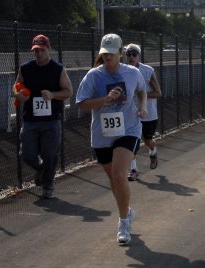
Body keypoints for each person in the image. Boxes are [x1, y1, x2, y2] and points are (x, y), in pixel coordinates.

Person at [76, 33, 147, 244]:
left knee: (119, 174)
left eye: (111, 54)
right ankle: (127, 210)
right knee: (114, 180)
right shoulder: (93, 76)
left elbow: (142, 91)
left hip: (129, 129)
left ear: (120, 53)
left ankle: (124, 222)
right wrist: (105, 99)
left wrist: (142, 106)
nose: (107, 58)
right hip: (103, 134)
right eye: (104, 54)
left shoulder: (133, 73)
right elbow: (81, 104)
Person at [13, 34, 73, 199]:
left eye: (41, 50)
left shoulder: (57, 69)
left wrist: (52, 95)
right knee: (26, 154)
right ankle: (40, 168)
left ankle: (48, 185)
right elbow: (17, 85)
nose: (38, 54)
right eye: (35, 50)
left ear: (48, 50)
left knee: (50, 154)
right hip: (31, 120)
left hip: (51, 120)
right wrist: (19, 94)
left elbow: (68, 91)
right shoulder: (26, 68)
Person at [125, 43, 162, 181]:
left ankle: (153, 151)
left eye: (134, 54)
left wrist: (141, 95)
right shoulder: (123, 71)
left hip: (149, 114)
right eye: (128, 54)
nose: (131, 56)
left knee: (147, 140)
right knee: (131, 143)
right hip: (131, 114)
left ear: (139, 56)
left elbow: (158, 93)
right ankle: (133, 169)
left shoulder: (147, 71)